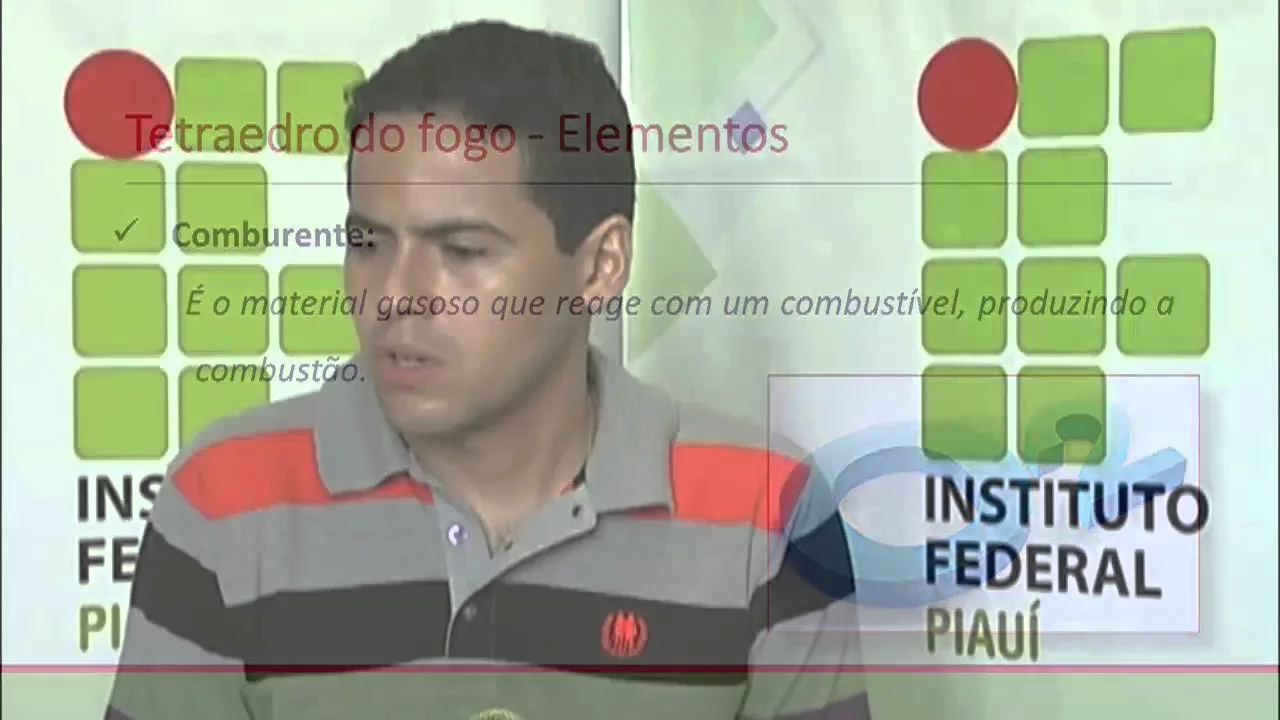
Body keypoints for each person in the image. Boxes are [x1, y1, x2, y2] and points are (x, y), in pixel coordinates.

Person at [104, 21, 872, 720]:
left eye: (462, 251)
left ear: (600, 265)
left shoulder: (768, 513)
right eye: (368, 243)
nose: (394, 296)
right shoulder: (224, 500)